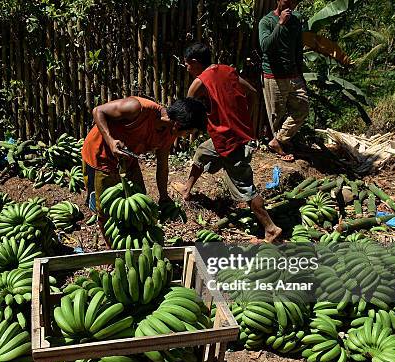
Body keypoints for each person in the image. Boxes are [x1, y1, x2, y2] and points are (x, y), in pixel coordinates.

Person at [172, 43, 282, 243]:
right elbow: (252, 93)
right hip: (230, 135)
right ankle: (187, 190)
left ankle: (270, 228)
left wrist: (190, 126)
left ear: (195, 63)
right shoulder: (228, 70)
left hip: (229, 142)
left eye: (187, 64)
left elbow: (188, 109)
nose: (186, 68)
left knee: (245, 188)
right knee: (202, 153)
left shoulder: (199, 83)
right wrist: (242, 118)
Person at [81, 96, 207, 244]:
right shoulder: (138, 108)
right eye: (189, 131)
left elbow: (162, 165)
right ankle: (113, 252)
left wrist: (163, 195)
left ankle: (137, 243)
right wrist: (110, 141)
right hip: (100, 156)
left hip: (129, 159)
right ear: (177, 124)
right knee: (105, 210)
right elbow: (98, 111)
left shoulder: (169, 134)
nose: (187, 136)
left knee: (141, 205)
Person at [259, 0, 309, 162]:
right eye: (287, 0)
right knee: (276, 114)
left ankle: (278, 140)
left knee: (302, 108)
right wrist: (280, 23)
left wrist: (300, 74)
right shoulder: (266, 21)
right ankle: (273, 143)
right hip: (274, 75)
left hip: (293, 75)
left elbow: (298, 48)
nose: (291, 4)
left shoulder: (296, 21)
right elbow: (265, 46)